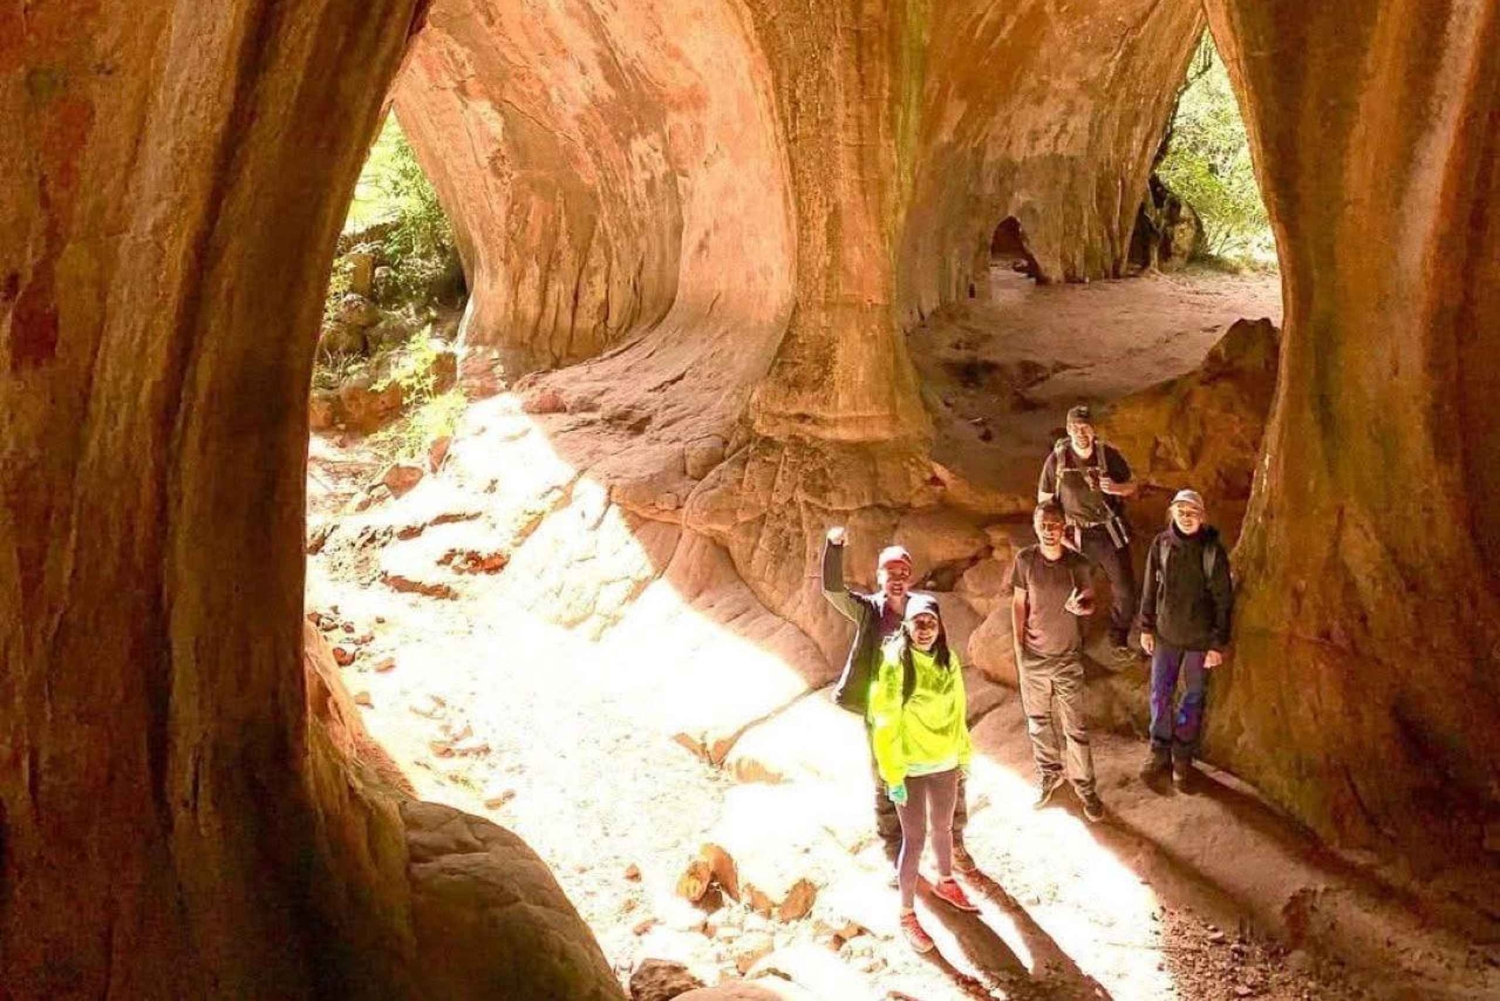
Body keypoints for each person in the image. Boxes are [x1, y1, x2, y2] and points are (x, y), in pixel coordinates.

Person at [822, 528, 974, 870]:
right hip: (884, 712)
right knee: (887, 779)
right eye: (890, 573)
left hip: (926, 710)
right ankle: (895, 850)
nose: (898, 579)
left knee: (948, 774)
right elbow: (832, 590)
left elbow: (939, 651)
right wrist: (834, 548)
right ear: (879, 577)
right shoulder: (869, 610)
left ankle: (955, 843)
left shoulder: (921, 608)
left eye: (904, 573)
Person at [869, 593, 980, 953]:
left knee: (945, 828)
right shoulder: (895, 663)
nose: (925, 630)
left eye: (931, 623)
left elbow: (959, 709)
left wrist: (962, 755)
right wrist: (892, 774)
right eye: (918, 623)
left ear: (940, 626)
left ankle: (946, 881)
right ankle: (906, 914)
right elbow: (884, 721)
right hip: (912, 766)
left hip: (944, 761)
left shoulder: (949, 661)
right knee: (914, 839)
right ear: (907, 625)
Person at [1009, 500, 1105, 822]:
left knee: (1074, 727)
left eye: (1055, 525)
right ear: (1036, 526)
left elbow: (1089, 601)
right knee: (1038, 720)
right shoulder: (1025, 561)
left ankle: (1085, 787)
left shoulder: (1078, 564)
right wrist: (1019, 646)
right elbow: (1019, 605)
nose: (1049, 531)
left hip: (1067, 657)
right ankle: (1050, 774)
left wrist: (1084, 608)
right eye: (1043, 525)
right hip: (1034, 656)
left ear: (1064, 527)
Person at [1137, 489, 1234, 789]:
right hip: (1166, 635)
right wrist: (1146, 626)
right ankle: (1159, 749)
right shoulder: (1161, 545)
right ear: (1172, 514)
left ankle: (1182, 756)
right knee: (1160, 693)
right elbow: (1150, 589)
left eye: (1192, 512)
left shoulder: (1211, 551)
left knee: (1192, 699)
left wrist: (1218, 644)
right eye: (1181, 511)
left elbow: (1223, 599)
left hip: (1199, 641)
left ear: (1202, 517)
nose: (1186, 517)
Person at [1037, 403, 1139, 659]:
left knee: (1125, 589)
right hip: (1075, 535)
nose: (1080, 432)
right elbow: (1045, 501)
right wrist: (1054, 534)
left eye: (1085, 427)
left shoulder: (1108, 456)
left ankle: (1118, 636)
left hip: (1107, 531)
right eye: (1075, 427)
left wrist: (1115, 489)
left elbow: (1132, 487)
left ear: (1093, 430)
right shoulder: (1057, 460)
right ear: (1068, 430)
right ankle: (1074, 639)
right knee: (1075, 590)